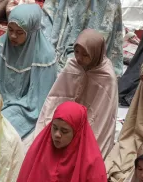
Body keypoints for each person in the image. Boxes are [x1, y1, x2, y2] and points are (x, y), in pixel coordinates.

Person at [0, 4, 58, 138]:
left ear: (31, 31)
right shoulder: (4, 42)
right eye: (10, 29)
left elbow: (37, 99)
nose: (12, 36)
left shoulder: (45, 56)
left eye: (19, 32)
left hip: (23, 105)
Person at [35, 29, 118, 160]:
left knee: (84, 155)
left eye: (85, 55)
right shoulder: (73, 65)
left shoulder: (107, 76)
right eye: (77, 52)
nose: (79, 58)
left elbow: (103, 115)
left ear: (96, 53)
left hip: (91, 121)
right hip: (66, 118)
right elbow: (56, 96)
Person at [19, 101, 106, 181]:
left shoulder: (92, 163)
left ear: (77, 133)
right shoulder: (39, 149)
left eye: (64, 131)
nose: (57, 134)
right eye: (54, 128)